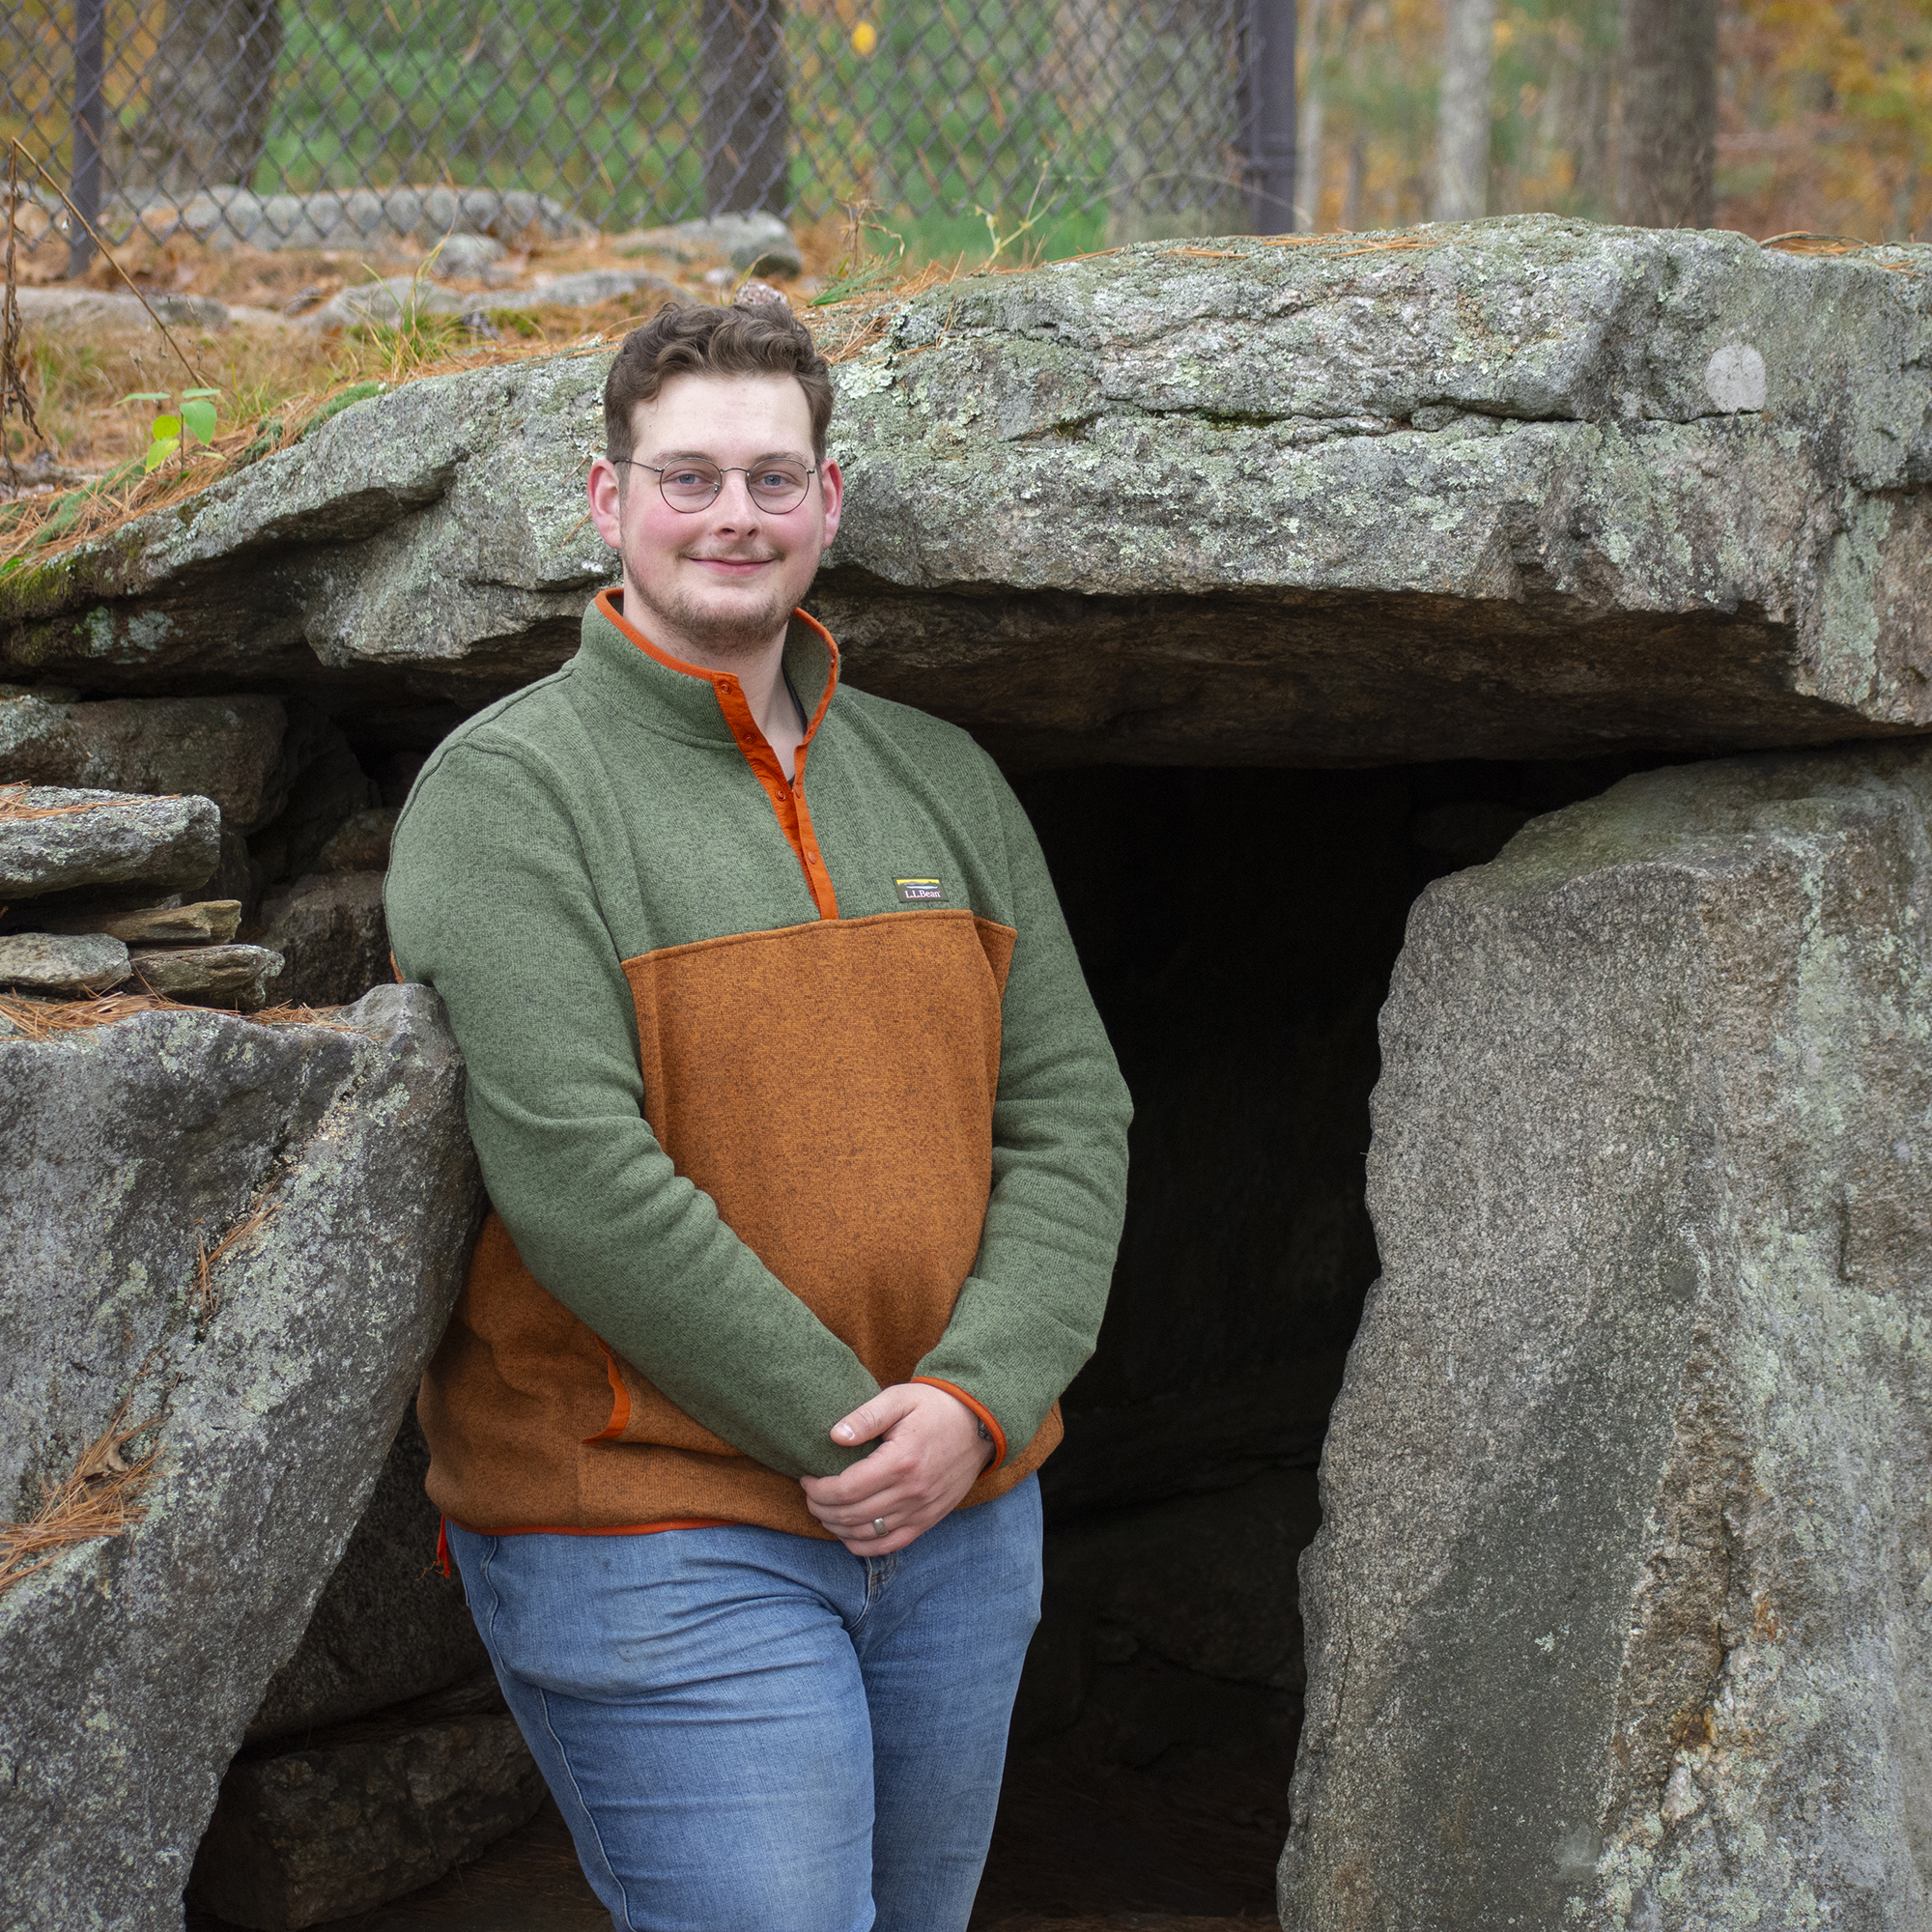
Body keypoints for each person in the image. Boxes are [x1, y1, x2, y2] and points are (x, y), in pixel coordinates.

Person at [384, 297, 1132, 1932]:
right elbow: (581, 1183)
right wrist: (851, 1437)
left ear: (831, 503)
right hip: (656, 1528)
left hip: (964, 1513)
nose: (734, 515)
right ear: (607, 501)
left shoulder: (944, 777)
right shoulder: (510, 797)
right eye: (688, 476)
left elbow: (1074, 1114)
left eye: (773, 478)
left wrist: (975, 1406)